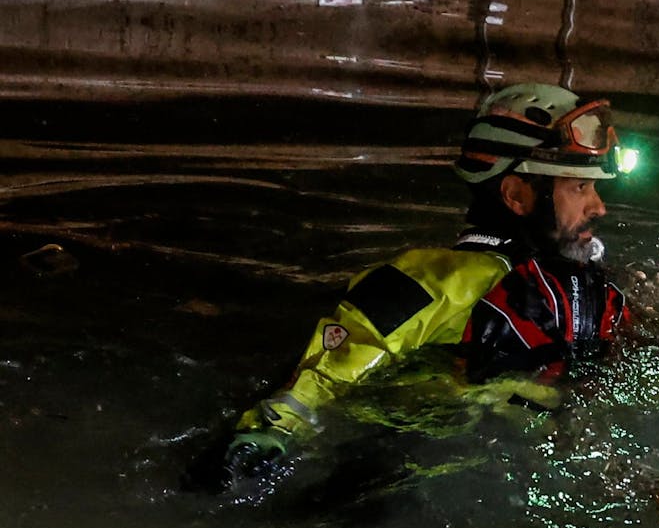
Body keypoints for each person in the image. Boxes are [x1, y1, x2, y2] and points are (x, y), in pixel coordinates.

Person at [225, 83, 637, 482]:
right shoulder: (438, 279)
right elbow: (332, 366)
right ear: (515, 194)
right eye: (579, 187)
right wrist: (268, 435)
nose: (598, 206)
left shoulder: (577, 289)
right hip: (391, 456)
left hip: (470, 459)